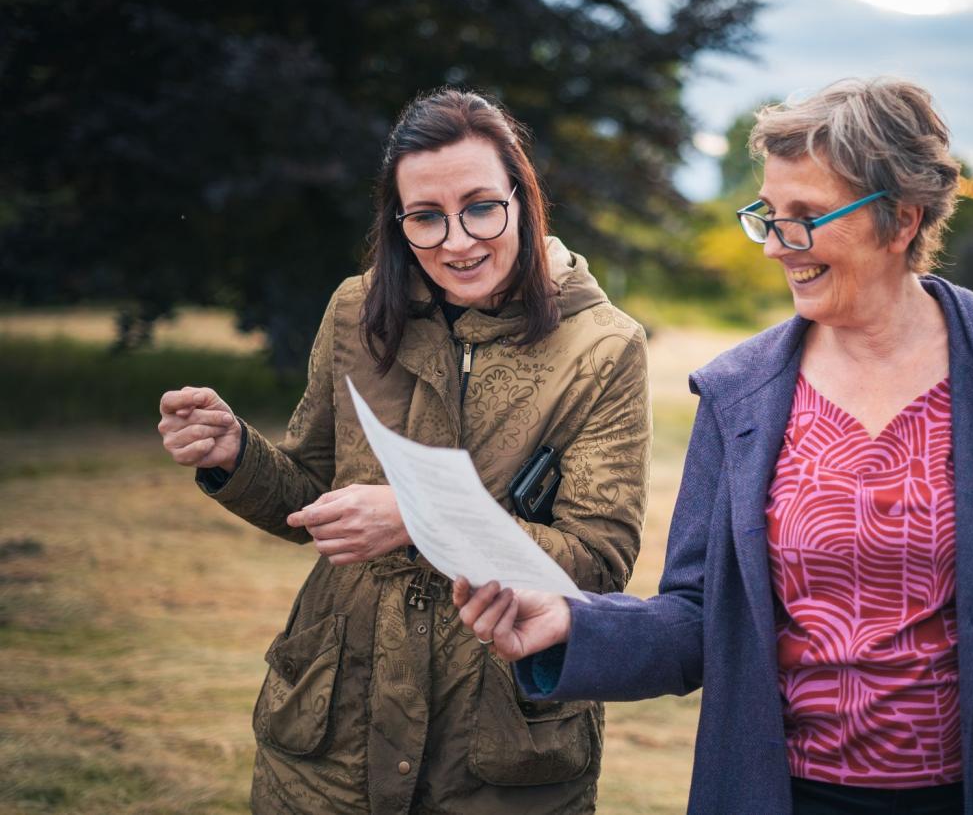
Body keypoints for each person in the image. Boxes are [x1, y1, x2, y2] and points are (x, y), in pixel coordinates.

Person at [454, 78, 973, 815]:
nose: (776, 246)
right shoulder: (739, 391)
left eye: (807, 217)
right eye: (769, 216)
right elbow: (699, 616)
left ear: (902, 220)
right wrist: (574, 622)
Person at [157, 89, 651, 814]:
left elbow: (595, 560)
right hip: (330, 739)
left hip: (501, 749)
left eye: (481, 206)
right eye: (425, 217)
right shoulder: (355, 311)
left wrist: (421, 520)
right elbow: (315, 498)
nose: (457, 240)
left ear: (522, 197)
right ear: (398, 222)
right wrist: (236, 457)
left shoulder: (603, 347)